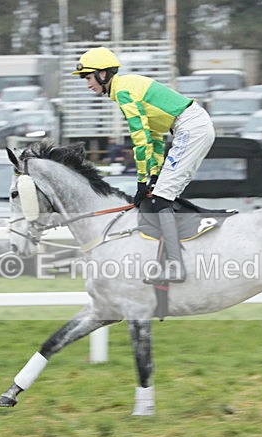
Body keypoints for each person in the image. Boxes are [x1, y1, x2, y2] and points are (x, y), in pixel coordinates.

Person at [72, 46, 215, 284]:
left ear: (104, 74)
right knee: (160, 195)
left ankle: (175, 265)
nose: (87, 84)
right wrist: (153, 175)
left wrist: (141, 179)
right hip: (189, 127)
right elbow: (155, 138)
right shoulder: (125, 88)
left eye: (88, 77)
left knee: (161, 198)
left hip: (191, 128)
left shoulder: (124, 91)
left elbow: (140, 139)